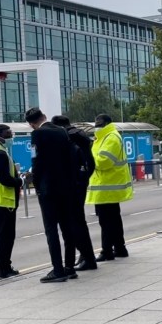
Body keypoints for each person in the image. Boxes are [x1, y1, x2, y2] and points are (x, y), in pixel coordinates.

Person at [25, 107, 77, 283]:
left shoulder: (37, 135)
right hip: (66, 187)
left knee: (51, 230)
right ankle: (70, 267)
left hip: (49, 189)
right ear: (44, 117)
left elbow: (36, 161)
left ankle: (58, 269)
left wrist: (37, 184)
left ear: (32, 124)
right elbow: (70, 159)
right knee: (67, 227)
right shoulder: (62, 132)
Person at [51, 115, 98, 273]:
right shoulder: (80, 134)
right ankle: (86, 257)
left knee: (73, 223)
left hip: (72, 185)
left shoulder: (68, 136)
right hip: (81, 181)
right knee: (79, 221)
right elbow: (90, 163)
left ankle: (87, 257)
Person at [87, 113, 133, 261]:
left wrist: (87, 157)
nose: (97, 125)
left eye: (99, 123)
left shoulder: (111, 137)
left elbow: (104, 162)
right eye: (96, 123)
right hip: (105, 186)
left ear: (107, 123)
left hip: (108, 186)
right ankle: (119, 248)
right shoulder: (102, 137)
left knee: (106, 220)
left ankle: (107, 250)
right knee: (112, 219)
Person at [0, 124, 22, 280]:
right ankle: (3, 268)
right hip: (2, 201)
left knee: (2, 236)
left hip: (0, 200)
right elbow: (5, 179)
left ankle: (3, 266)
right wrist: (20, 181)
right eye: (7, 135)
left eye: (11, 134)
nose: (10, 137)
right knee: (5, 237)